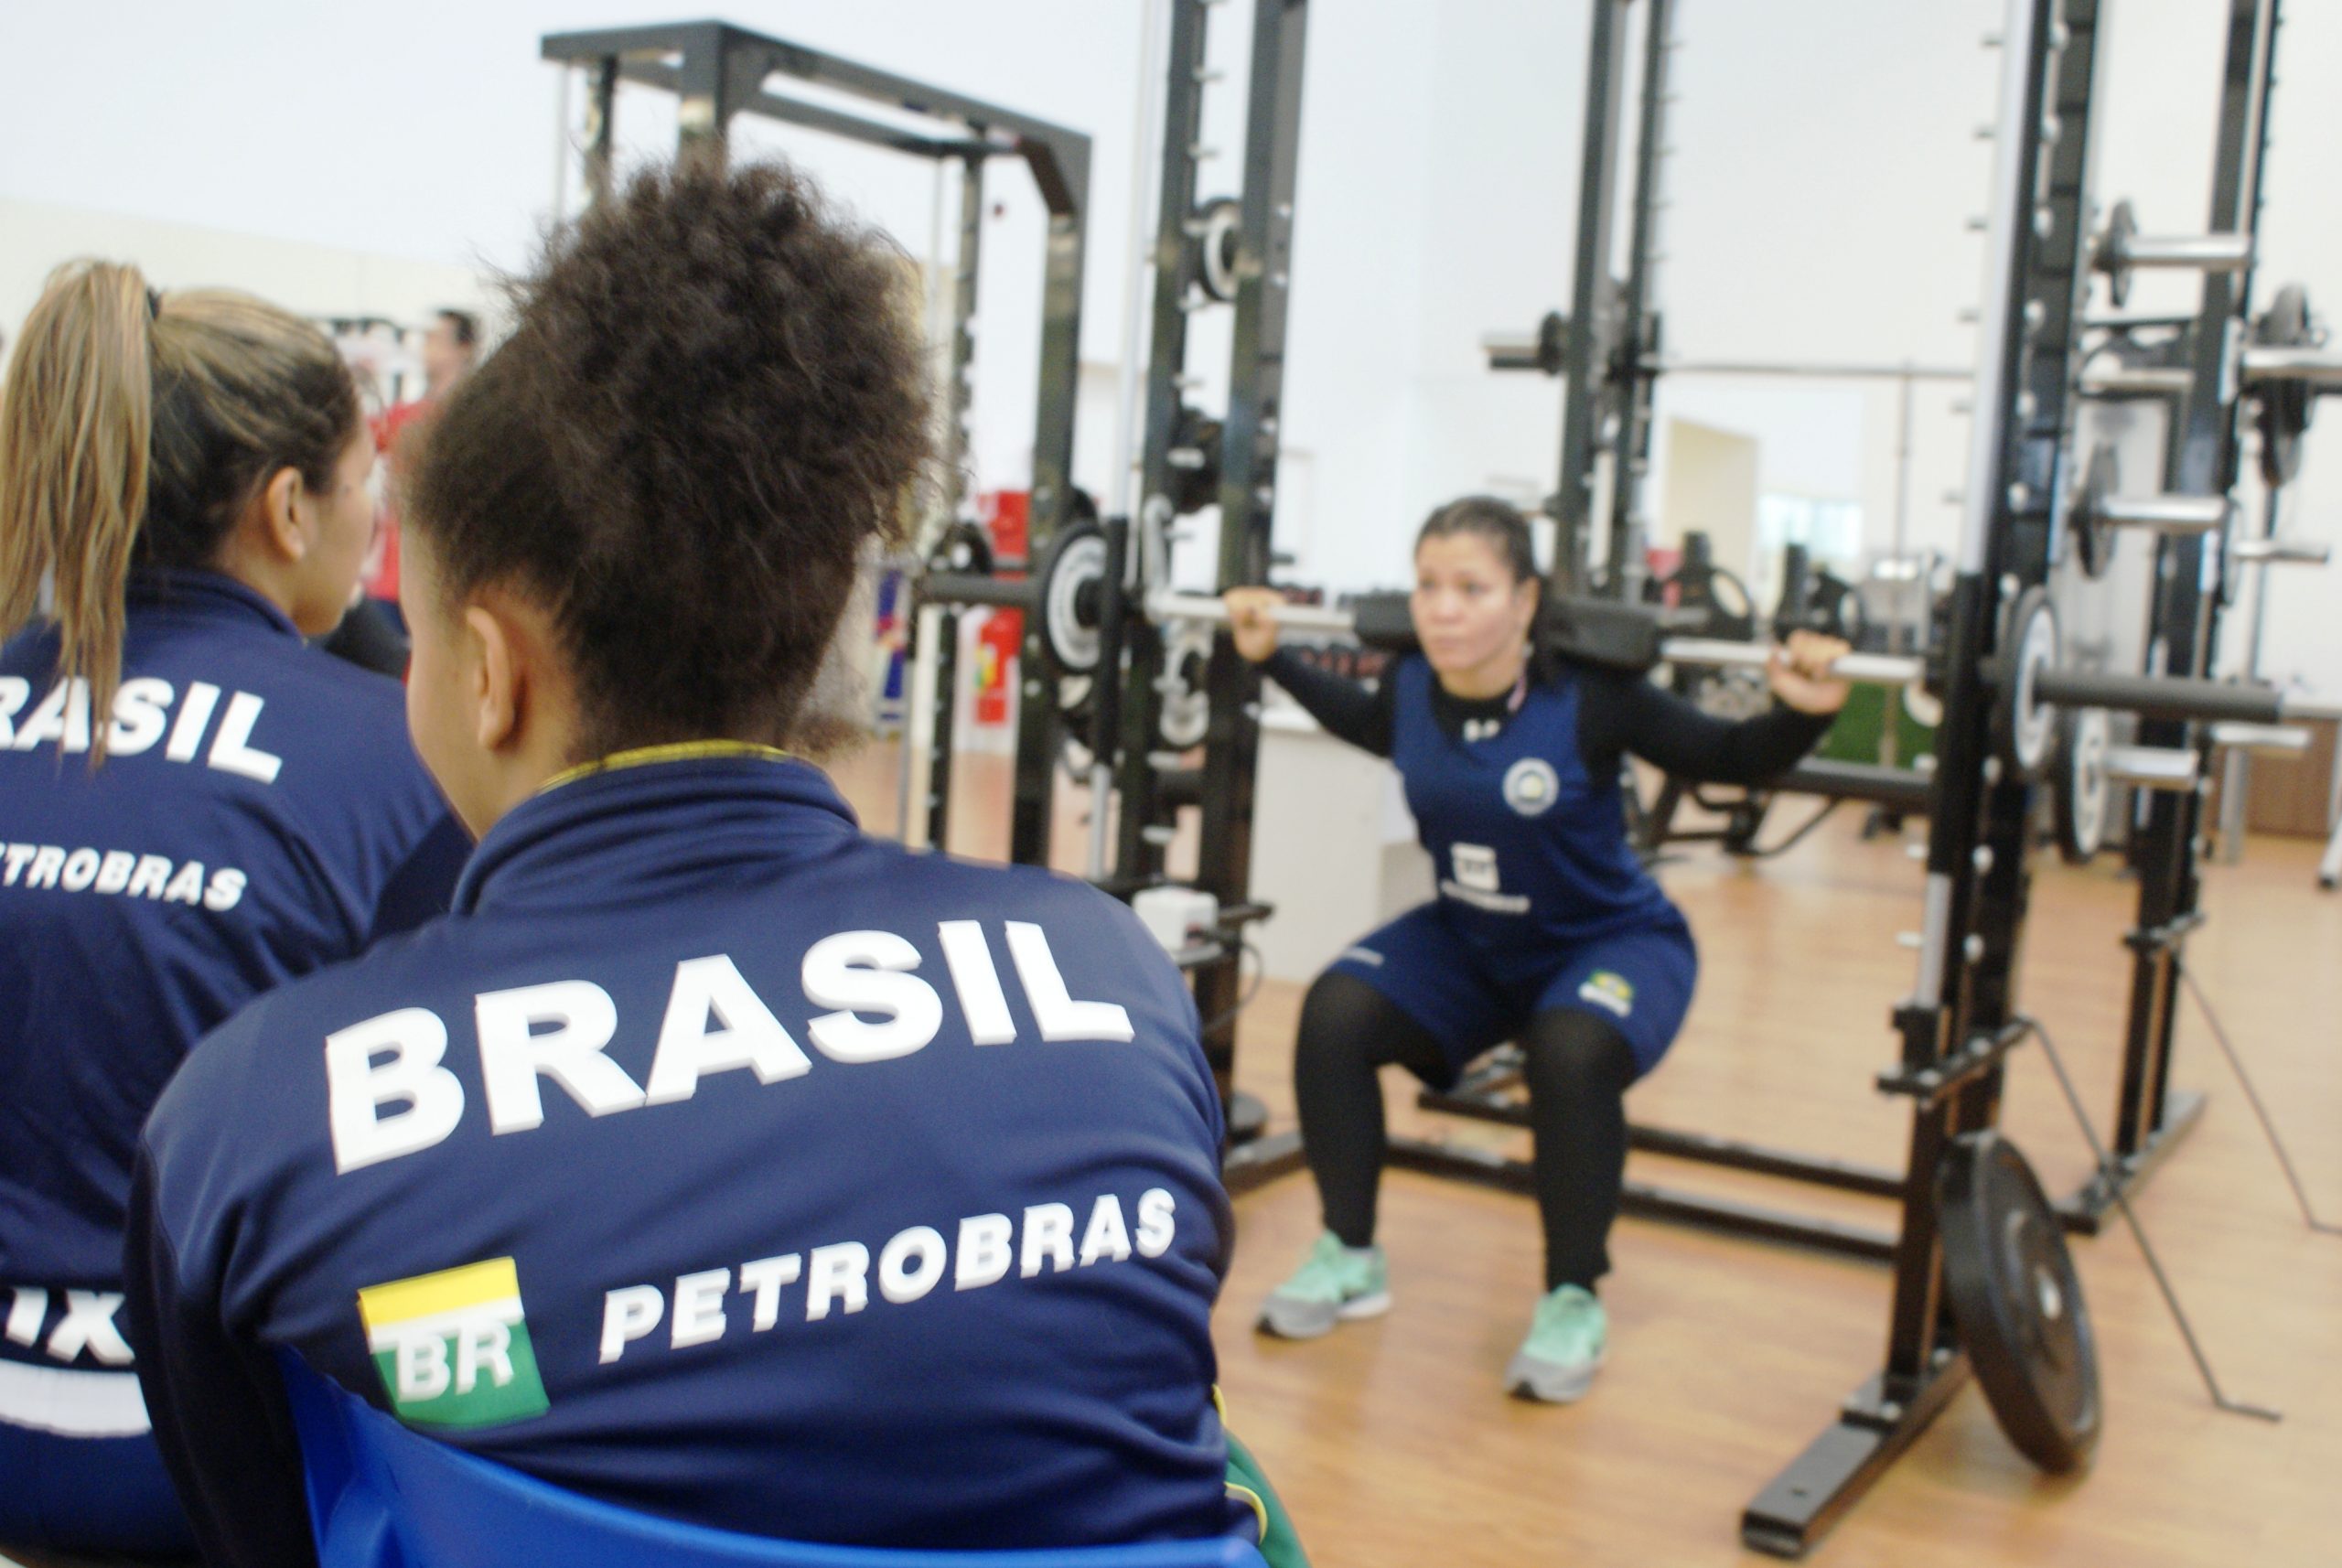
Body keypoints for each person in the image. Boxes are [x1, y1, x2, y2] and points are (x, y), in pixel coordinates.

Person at [124, 160, 1297, 1566]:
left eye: (422, 634)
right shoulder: (1116, 980)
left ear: (489, 671)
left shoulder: (256, 1119)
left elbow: (260, 1517)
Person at [0, 264, 469, 1554]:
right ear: (285, 506)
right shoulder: (392, 762)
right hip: (198, 1453)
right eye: (364, 480)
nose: (372, 513)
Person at [1225, 497, 1850, 1402]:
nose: (1442, 609)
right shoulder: (1410, 686)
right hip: (1473, 938)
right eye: (1428, 585)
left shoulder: (1591, 698)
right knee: (1334, 1014)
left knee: (1569, 1054)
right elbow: (1366, 724)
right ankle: (1349, 1253)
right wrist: (1272, 655)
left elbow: (1728, 754)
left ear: (1523, 601)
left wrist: (1803, 715)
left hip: (1611, 941)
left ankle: (1571, 1298)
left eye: (1470, 587)